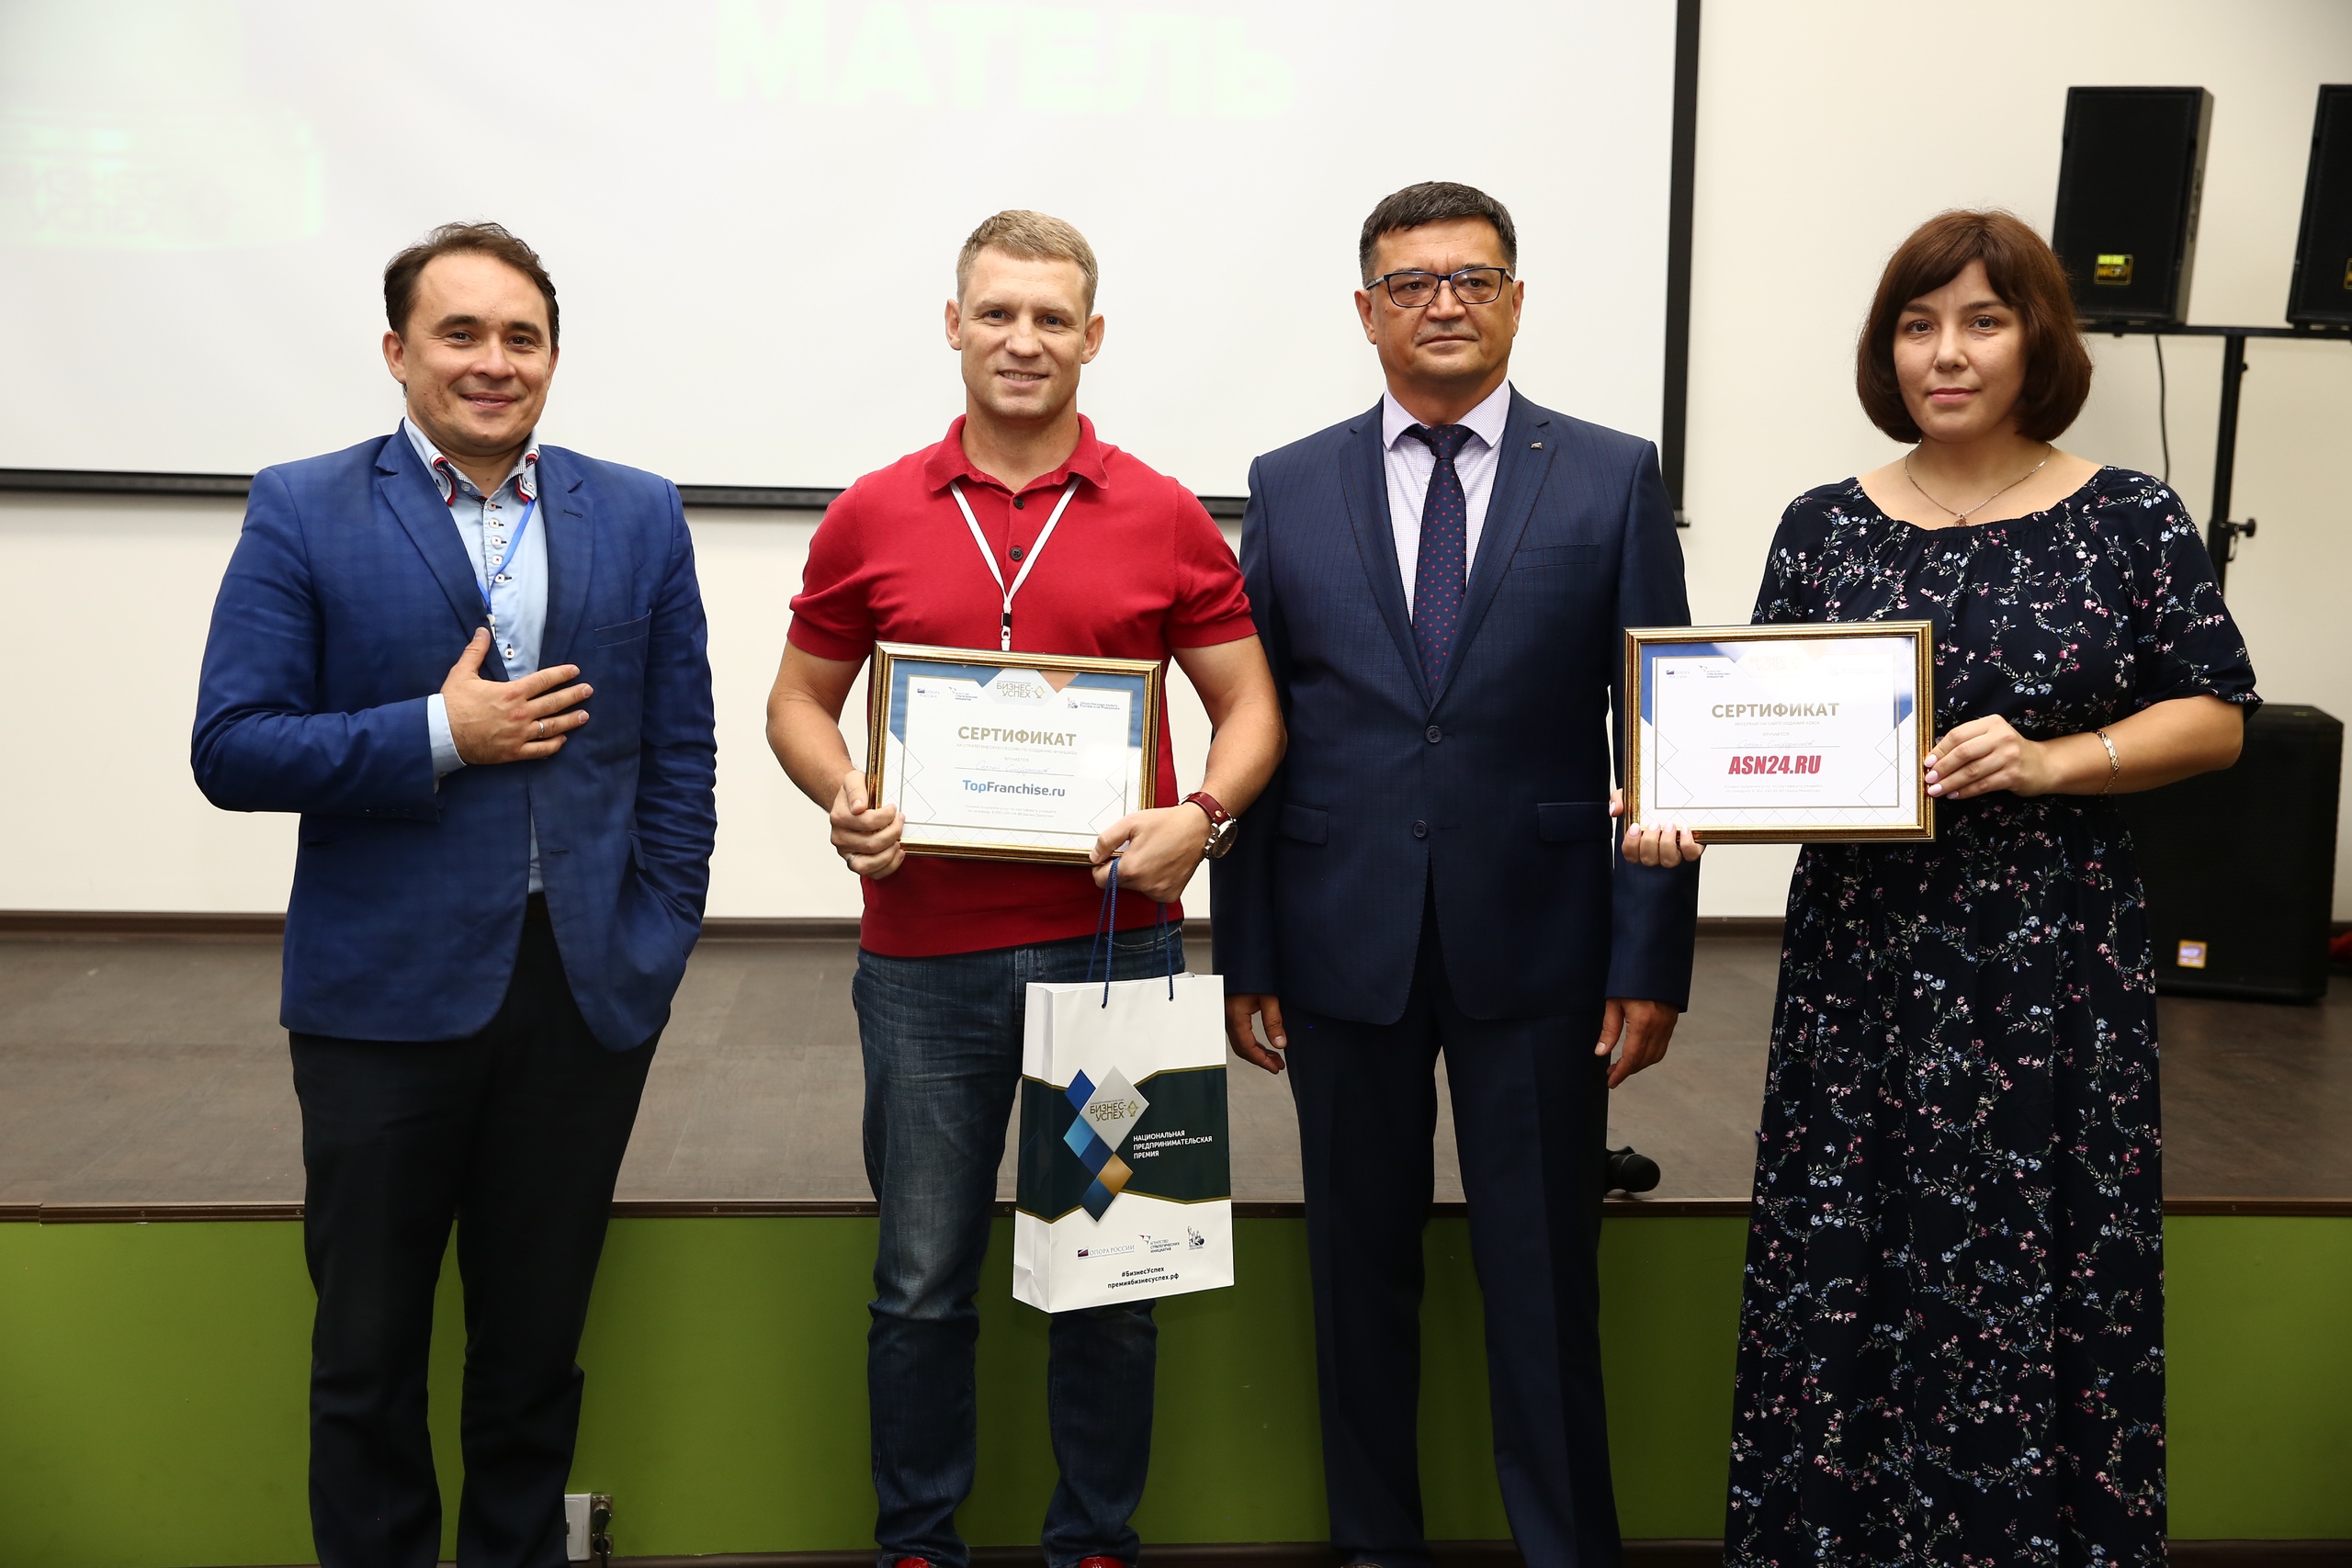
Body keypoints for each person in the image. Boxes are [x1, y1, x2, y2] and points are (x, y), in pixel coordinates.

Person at [1724, 209, 2256, 1567]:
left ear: (2038, 343)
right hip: (1860, 964)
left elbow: (2217, 717)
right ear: (1886, 349)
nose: (1945, 354)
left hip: (2049, 958)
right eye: (1917, 325)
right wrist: (1682, 811)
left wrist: (2054, 760)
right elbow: (1759, 730)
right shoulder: (1822, 525)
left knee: (2037, 1252)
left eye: (1981, 321)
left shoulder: (2129, 515)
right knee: (1846, 1254)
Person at [191, 222, 718, 1568]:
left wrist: (659, 933)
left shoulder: (639, 511)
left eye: (521, 337)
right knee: (367, 1357)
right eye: (460, 333)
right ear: (398, 351)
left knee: (534, 1358)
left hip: (582, 992)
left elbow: (678, 753)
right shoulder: (303, 506)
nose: (494, 362)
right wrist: (440, 733)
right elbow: (234, 746)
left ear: (553, 357)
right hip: (380, 1000)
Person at [764, 210, 1284, 1568]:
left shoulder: (1162, 511)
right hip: (923, 967)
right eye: (997, 312)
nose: (1023, 340)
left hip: (1115, 964)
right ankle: (917, 1543)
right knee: (919, 1280)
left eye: (1052, 317)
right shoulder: (875, 509)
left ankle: (1095, 1542)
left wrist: (1202, 819)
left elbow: (1251, 709)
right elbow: (797, 702)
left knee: (1113, 1275)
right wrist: (843, 792)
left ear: (1092, 337)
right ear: (954, 325)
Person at [1214, 181, 1702, 1568]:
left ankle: (1565, 1549)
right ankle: (1377, 1546)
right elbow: (1254, 723)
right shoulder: (1289, 482)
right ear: (1365, 310)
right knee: (1354, 1275)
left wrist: (1650, 957)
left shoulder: (1609, 474)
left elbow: (1657, 729)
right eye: (1411, 282)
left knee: (1543, 1284)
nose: (1444, 303)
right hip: (1338, 937)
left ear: (1517, 302)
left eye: (1473, 279)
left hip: (1543, 944)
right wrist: (1248, 949)